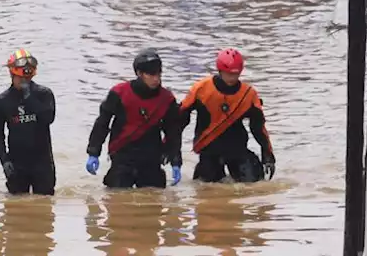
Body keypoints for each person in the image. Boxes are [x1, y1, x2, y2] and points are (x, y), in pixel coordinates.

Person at [85, 48, 183, 189]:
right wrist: (93, 152)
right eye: (151, 74)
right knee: (117, 201)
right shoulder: (119, 93)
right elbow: (102, 123)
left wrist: (175, 161)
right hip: (123, 155)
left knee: (153, 203)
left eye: (159, 74)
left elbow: (173, 132)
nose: (156, 79)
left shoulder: (167, 99)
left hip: (152, 157)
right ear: (139, 74)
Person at [179, 48, 276, 183]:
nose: (232, 78)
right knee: (205, 190)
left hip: (237, 148)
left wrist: (268, 154)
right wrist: (171, 147)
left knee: (255, 184)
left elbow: (258, 127)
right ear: (220, 71)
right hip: (209, 150)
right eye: (228, 74)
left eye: (236, 75)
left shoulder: (248, 94)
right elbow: (180, 119)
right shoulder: (201, 89)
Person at [0, 49, 56, 195]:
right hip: (17, 163)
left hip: (42, 162)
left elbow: (48, 119)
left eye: (27, 78)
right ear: (12, 75)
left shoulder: (44, 94)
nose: (24, 82)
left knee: (45, 206)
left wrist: (29, 97)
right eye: (20, 78)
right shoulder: (3, 100)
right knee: (15, 209)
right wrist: (4, 161)